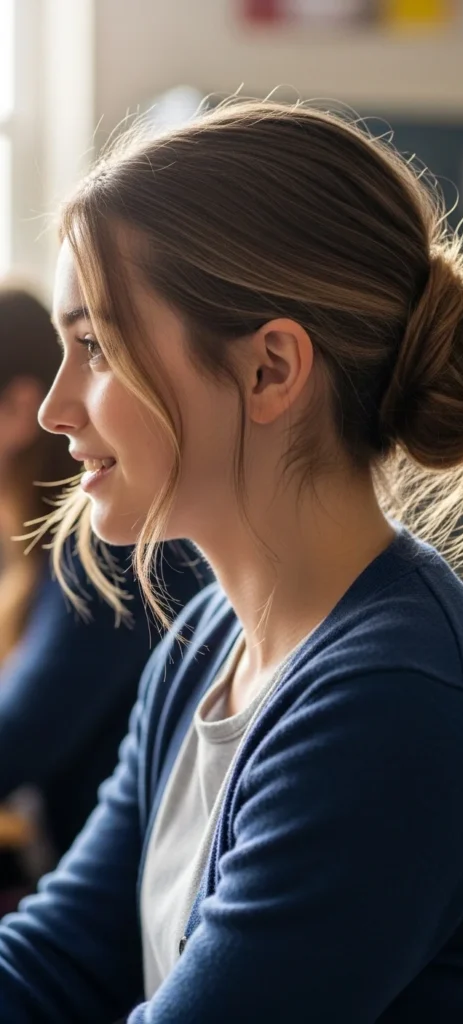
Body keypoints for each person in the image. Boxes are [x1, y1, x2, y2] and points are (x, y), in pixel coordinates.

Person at [0, 100, 463, 1023]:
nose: (57, 409)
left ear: (270, 371)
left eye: (94, 346)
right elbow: (64, 958)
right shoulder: (206, 641)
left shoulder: (396, 700)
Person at [0, 286, 211, 903]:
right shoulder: (41, 546)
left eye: (94, 349)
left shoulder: (105, 547)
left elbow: (17, 739)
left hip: (123, 901)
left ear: (14, 408)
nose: (57, 411)